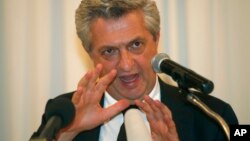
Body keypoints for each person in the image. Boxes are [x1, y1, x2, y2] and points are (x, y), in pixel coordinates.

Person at [31, 0, 238, 141]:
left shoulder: (215, 115)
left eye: (136, 45)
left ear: (156, 39)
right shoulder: (61, 114)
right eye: (109, 51)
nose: (126, 65)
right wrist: (69, 132)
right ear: (89, 52)